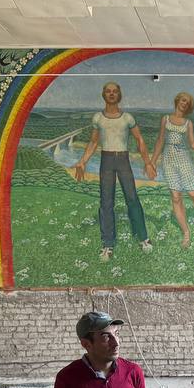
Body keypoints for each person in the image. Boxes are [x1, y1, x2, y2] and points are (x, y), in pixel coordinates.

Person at [73, 82, 156, 260]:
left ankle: (143, 238)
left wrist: (148, 163)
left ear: (119, 95)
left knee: (132, 198)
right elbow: (93, 142)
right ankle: (107, 244)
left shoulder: (127, 118)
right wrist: (82, 161)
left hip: (123, 159)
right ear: (104, 95)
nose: (111, 94)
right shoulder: (98, 118)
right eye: (108, 91)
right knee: (106, 202)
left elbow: (140, 139)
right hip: (107, 160)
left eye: (115, 91)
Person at [148, 91, 194, 248]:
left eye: (188, 102)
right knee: (176, 197)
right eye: (183, 100)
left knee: (193, 193)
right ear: (177, 101)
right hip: (168, 160)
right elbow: (160, 141)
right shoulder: (165, 119)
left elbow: (192, 143)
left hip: (183, 159)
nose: (185, 103)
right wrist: (152, 162)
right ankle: (186, 232)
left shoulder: (188, 123)